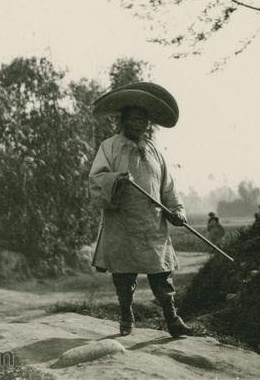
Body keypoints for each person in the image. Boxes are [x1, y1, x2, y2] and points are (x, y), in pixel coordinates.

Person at [89, 81, 192, 337]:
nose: (140, 124)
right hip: (122, 223)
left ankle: (173, 319)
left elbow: (167, 186)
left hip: (152, 223)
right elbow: (96, 180)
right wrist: (116, 181)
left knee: (162, 275)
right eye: (134, 119)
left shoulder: (155, 150)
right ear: (124, 121)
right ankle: (126, 316)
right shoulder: (109, 146)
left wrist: (177, 210)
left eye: (144, 120)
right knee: (124, 277)